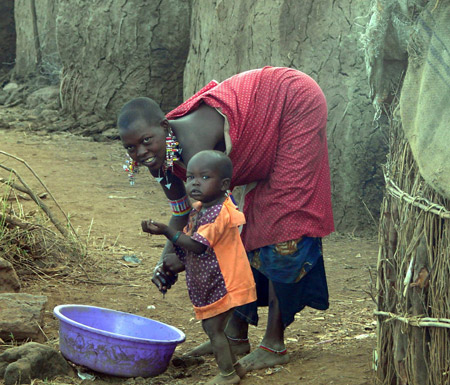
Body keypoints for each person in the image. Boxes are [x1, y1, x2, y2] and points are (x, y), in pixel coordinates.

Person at [118, 66, 335, 371]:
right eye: (131, 147)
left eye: (145, 141)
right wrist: (167, 257)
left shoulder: (195, 146)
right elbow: (182, 212)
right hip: (267, 110)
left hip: (292, 100)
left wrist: (182, 253)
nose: (140, 152)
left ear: (165, 128)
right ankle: (235, 336)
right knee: (242, 232)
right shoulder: (161, 158)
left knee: (282, 225)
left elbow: (211, 220)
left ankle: (274, 345)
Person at [141, 150, 256, 385]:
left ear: (224, 184)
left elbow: (198, 246)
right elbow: (195, 246)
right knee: (214, 327)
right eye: (191, 177)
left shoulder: (219, 213)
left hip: (227, 282)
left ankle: (227, 375)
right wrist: (174, 263)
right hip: (215, 280)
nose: (195, 182)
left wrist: (166, 231)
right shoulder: (201, 209)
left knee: (213, 327)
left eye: (204, 177)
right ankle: (236, 367)